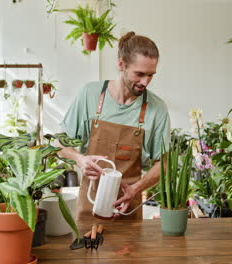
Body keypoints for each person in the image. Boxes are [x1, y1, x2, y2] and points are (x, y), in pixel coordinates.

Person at [57, 31, 171, 221]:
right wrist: (79, 159)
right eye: (139, 74)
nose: (145, 82)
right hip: (89, 207)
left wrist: (136, 189)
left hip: (128, 209)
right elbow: (60, 143)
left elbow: (164, 164)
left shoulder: (157, 109)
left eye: (151, 75)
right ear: (121, 65)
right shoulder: (89, 94)